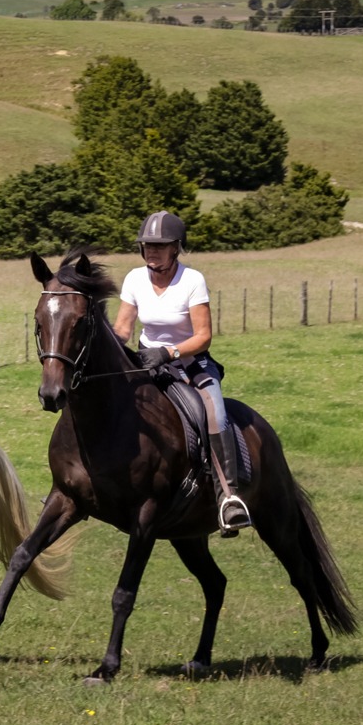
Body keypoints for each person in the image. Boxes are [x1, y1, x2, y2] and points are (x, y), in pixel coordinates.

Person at [112, 210, 249, 535]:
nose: (152, 251)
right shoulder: (134, 279)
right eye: (147, 245)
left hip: (190, 364)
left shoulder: (192, 280)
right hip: (147, 362)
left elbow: (204, 337)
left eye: (160, 245)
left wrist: (169, 352)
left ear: (176, 248)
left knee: (214, 413)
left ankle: (228, 498)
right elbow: (123, 327)